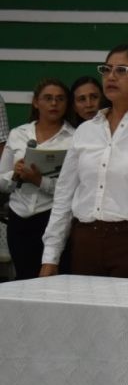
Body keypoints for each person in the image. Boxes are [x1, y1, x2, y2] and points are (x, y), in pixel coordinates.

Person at [39, 45, 128, 280]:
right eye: (106, 70)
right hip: (85, 241)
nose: (111, 77)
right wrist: (50, 256)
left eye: (122, 70)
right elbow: (64, 196)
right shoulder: (86, 131)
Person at [0, 79, 74, 280]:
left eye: (60, 99)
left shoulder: (73, 137)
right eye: (47, 98)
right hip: (19, 217)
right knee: (24, 278)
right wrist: (14, 174)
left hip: (52, 216)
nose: (54, 104)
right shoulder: (18, 134)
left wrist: (40, 181)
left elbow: (74, 190)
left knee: (55, 280)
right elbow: (1, 182)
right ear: (35, 102)